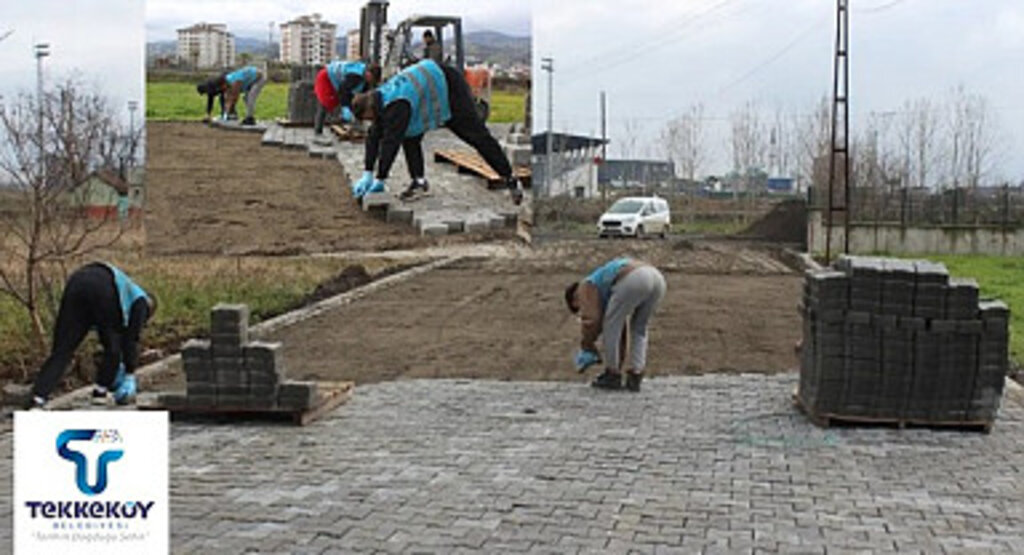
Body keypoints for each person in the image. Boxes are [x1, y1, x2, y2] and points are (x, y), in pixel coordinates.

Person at [350, 59, 524, 205]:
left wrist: (380, 178)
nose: (369, 122)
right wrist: (367, 172)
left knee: (476, 136)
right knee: (410, 136)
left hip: (450, 88)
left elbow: (390, 143)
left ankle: (509, 178)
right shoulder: (379, 99)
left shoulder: (395, 106)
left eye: (367, 118)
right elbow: (374, 136)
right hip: (432, 87)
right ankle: (418, 182)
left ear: (370, 109)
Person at [28, 262, 157, 409]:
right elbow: (131, 339)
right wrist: (129, 373)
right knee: (112, 347)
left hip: (77, 282)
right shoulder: (141, 302)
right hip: (102, 288)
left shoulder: (125, 289)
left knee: (62, 350)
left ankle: (38, 397)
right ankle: (100, 391)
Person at [564, 257, 666, 392]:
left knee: (610, 326)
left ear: (574, 300)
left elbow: (592, 320)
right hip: (656, 278)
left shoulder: (585, 286)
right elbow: (620, 332)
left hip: (634, 277)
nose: (582, 309)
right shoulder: (604, 287)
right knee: (639, 328)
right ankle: (636, 374)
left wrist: (587, 345)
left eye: (579, 308)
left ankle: (612, 374)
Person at [313, 60, 382, 135]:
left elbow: (361, 97)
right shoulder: (355, 76)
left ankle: (350, 123)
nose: (371, 81)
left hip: (339, 82)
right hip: (326, 76)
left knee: (352, 102)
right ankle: (318, 131)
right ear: (368, 73)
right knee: (326, 102)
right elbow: (343, 90)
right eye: (372, 78)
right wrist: (345, 108)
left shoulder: (365, 79)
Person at [196, 65, 266, 125]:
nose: (223, 90)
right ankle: (234, 115)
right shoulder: (227, 83)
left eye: (222, 88)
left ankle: (250, 118)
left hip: (259, 78)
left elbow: (235, 97)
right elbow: (227, 98)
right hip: (250, 79)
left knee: (250, 97)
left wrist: (228, 109)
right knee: (245, 98)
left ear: (223, 84)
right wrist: (226, 112)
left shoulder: (234, 82)